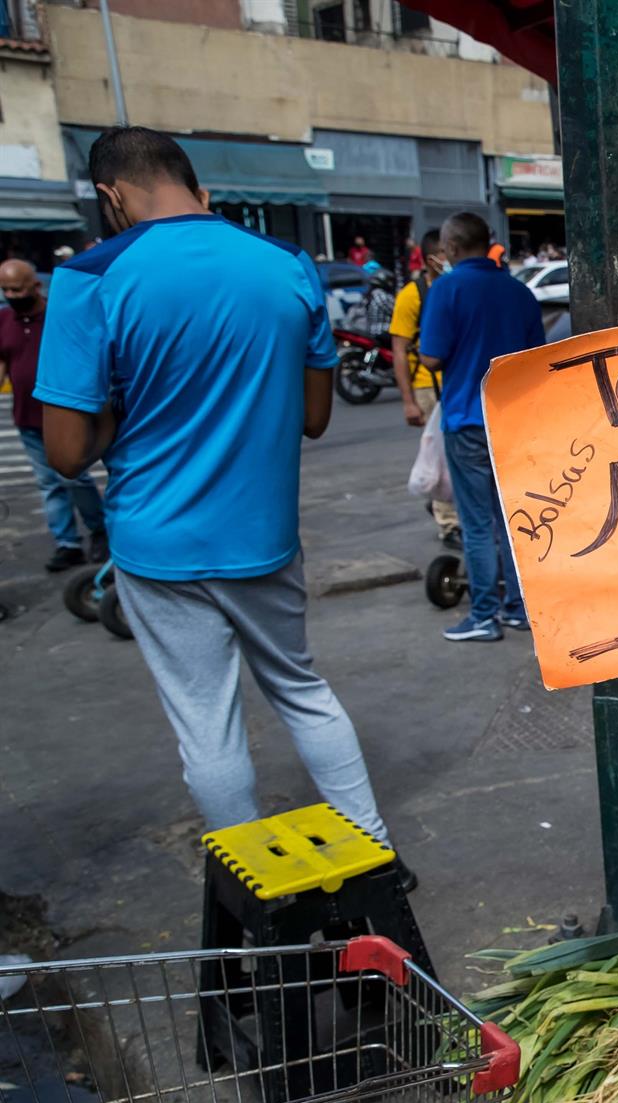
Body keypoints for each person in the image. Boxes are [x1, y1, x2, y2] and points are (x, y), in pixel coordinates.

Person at [37, 126, 392, 856]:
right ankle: (375, 851)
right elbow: (317, 419)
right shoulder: (289, 264)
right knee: (301, 690)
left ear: (112, 196)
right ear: (199, 190)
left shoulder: (92, 279)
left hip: (157, 543)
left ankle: (248, 879)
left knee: (206, 721)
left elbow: (68, 454)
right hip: (264, 536)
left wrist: (119, 410)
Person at [417, 211, 544, 642]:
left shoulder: (446, 289)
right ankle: (517, 609)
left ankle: (484, 615)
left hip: (467, 418)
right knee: (509, 520)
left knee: (475, 524)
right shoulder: (519, 292)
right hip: (513, 419)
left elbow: (431, 357)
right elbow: (534, 359)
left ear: (451, 247)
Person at [0, 258, 107, 570]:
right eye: (5, 289)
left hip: (66, 416)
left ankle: (99, 529)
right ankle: (67, 543)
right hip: (27, 418)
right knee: (49, 483)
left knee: (74, 478)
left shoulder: (59, 315)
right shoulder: (5, 321)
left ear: (36, 286)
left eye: (17, 289)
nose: (11, 295)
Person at [390, 229, 459, 546]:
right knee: (442, 458)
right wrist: (408, 401)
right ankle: (448, 523)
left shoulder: (456, 287)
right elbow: (400, 350)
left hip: (458, 384)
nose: (451, 259)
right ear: (433, 257)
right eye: (446, 253)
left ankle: (451, 510)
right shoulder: (412, 295)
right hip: (427, 386)